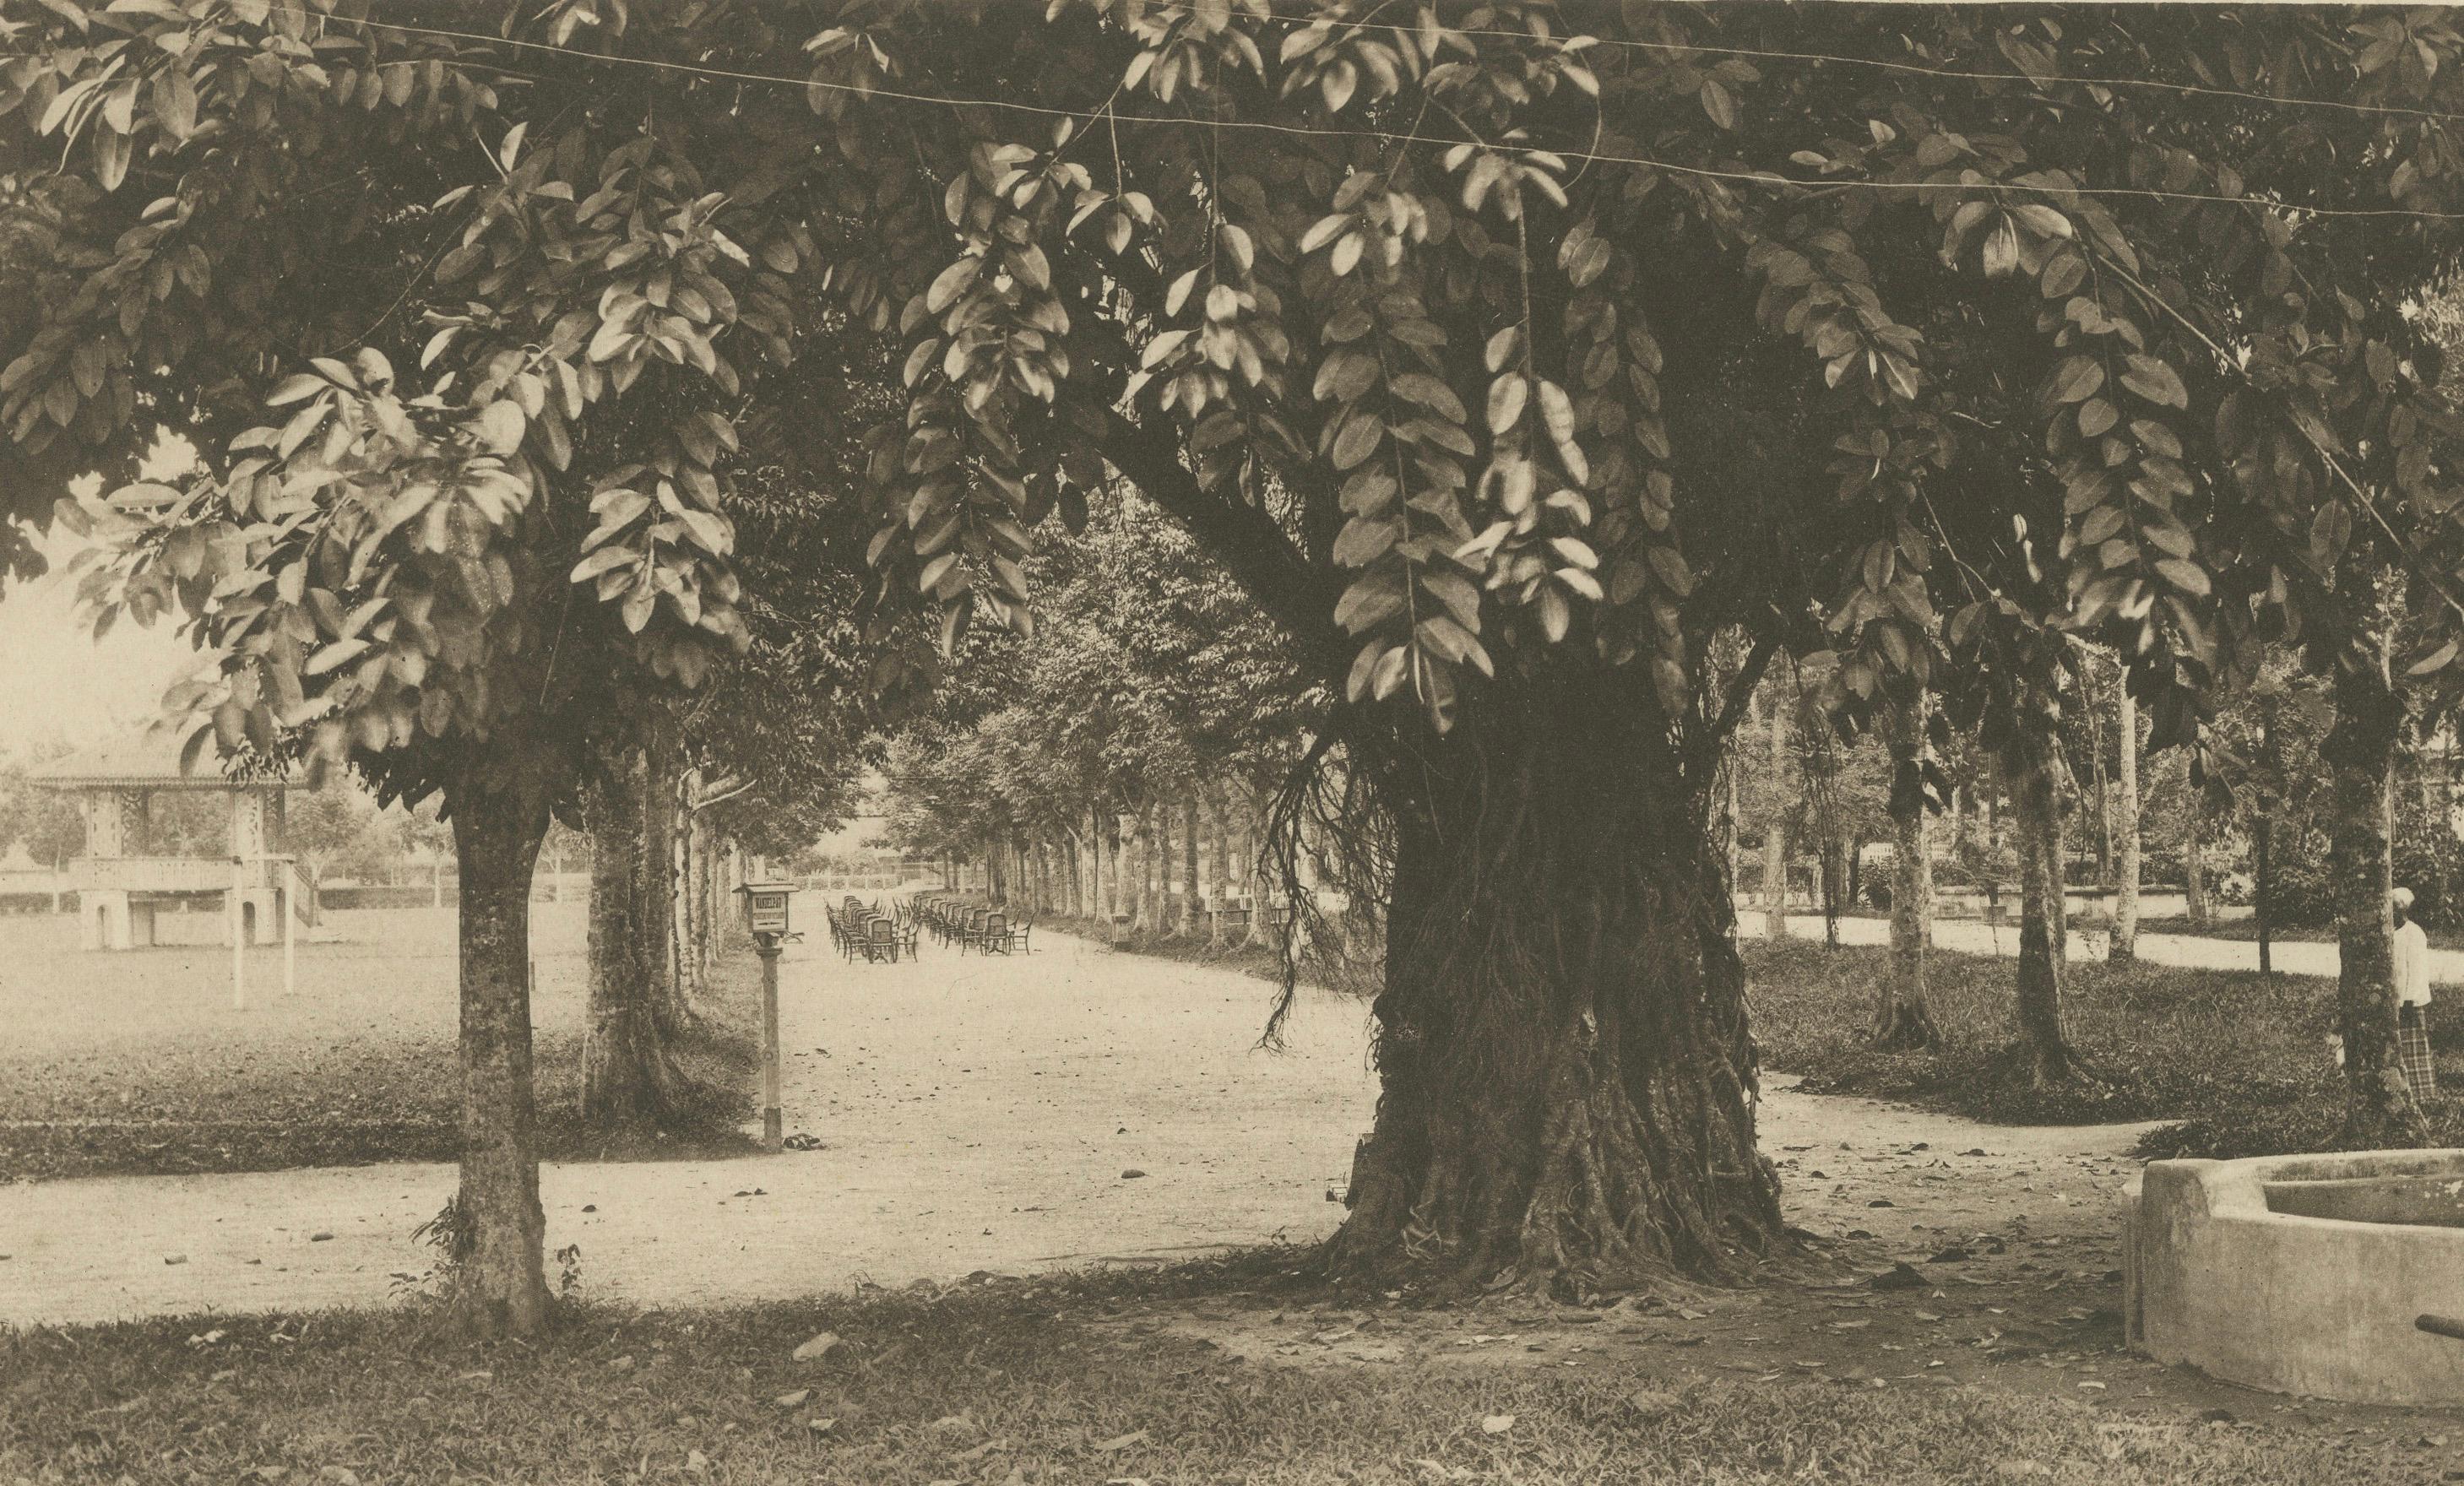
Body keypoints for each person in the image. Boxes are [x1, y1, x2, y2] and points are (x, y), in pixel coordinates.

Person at [2393, 887, 2437, 1099]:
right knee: (2399, 1047)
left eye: (2392, 907)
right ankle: (2402, 1091)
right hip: (2396, 1000)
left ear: (2401, 909)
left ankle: (2423, 1095)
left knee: (2415, 1048)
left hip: (2411, 1001)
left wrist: (2409, 1000)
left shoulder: (2414, 933)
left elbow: (2418, 970)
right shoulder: (2390, 933)